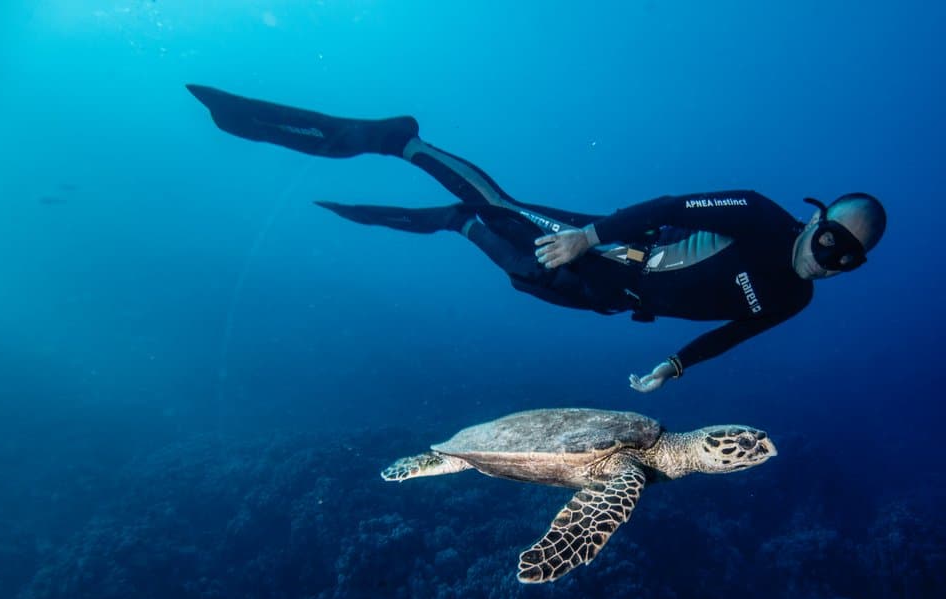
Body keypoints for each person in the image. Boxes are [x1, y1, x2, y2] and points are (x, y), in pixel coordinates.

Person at [186, 85, 887, 392]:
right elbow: (671, 202)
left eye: (850, 261)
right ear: (816, 218)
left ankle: (454, 223)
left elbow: (734, 331)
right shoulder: (762, 215)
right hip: (613, 248)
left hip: (614, 298)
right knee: (502, 205)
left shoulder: (795, 300)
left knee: (516, 270)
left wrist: (676, 366)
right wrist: (588, 236)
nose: (834, 263)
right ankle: (403, 142)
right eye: (833, 243)